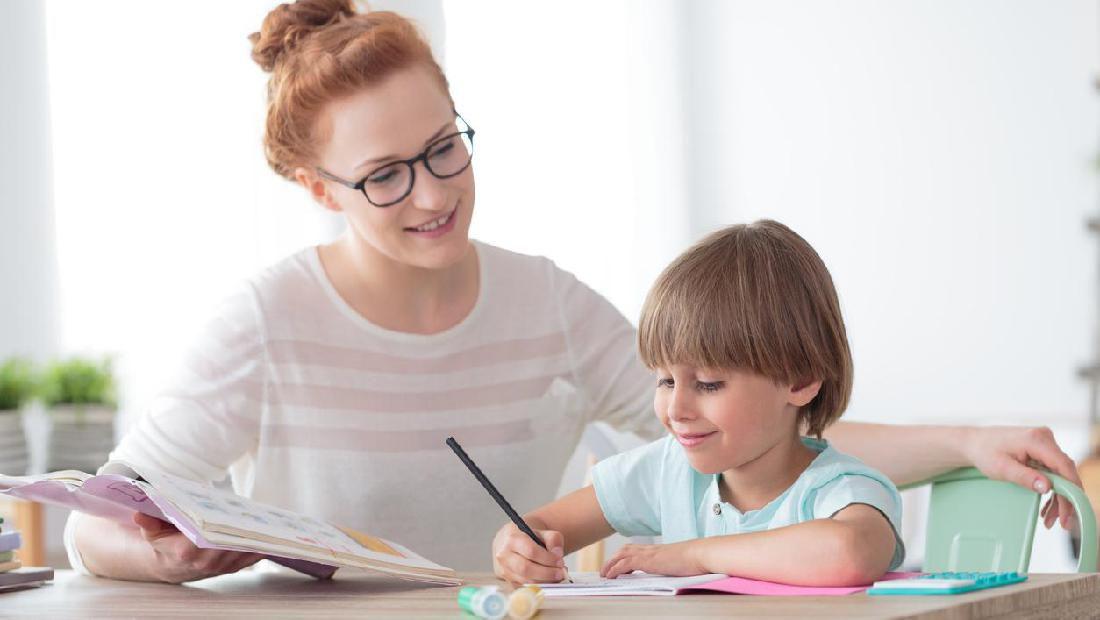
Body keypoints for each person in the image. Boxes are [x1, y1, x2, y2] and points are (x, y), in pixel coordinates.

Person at [66, 0, 1082, 584]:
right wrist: (154, 557)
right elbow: (92, 521)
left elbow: (756, 427)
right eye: (384, 175)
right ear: (314, 187)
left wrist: (961, 441)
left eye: (444, 147)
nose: (432, 194)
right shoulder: (264, 322)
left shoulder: (544, 302)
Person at [493, 220, 902, 586]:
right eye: (666, 380)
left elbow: (849, 554)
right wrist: (517, 548)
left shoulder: (840, 491)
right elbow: (541, 525)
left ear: (800, 379)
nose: (675, 410)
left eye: (708, 384)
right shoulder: (668, 470)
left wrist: (693, 553)